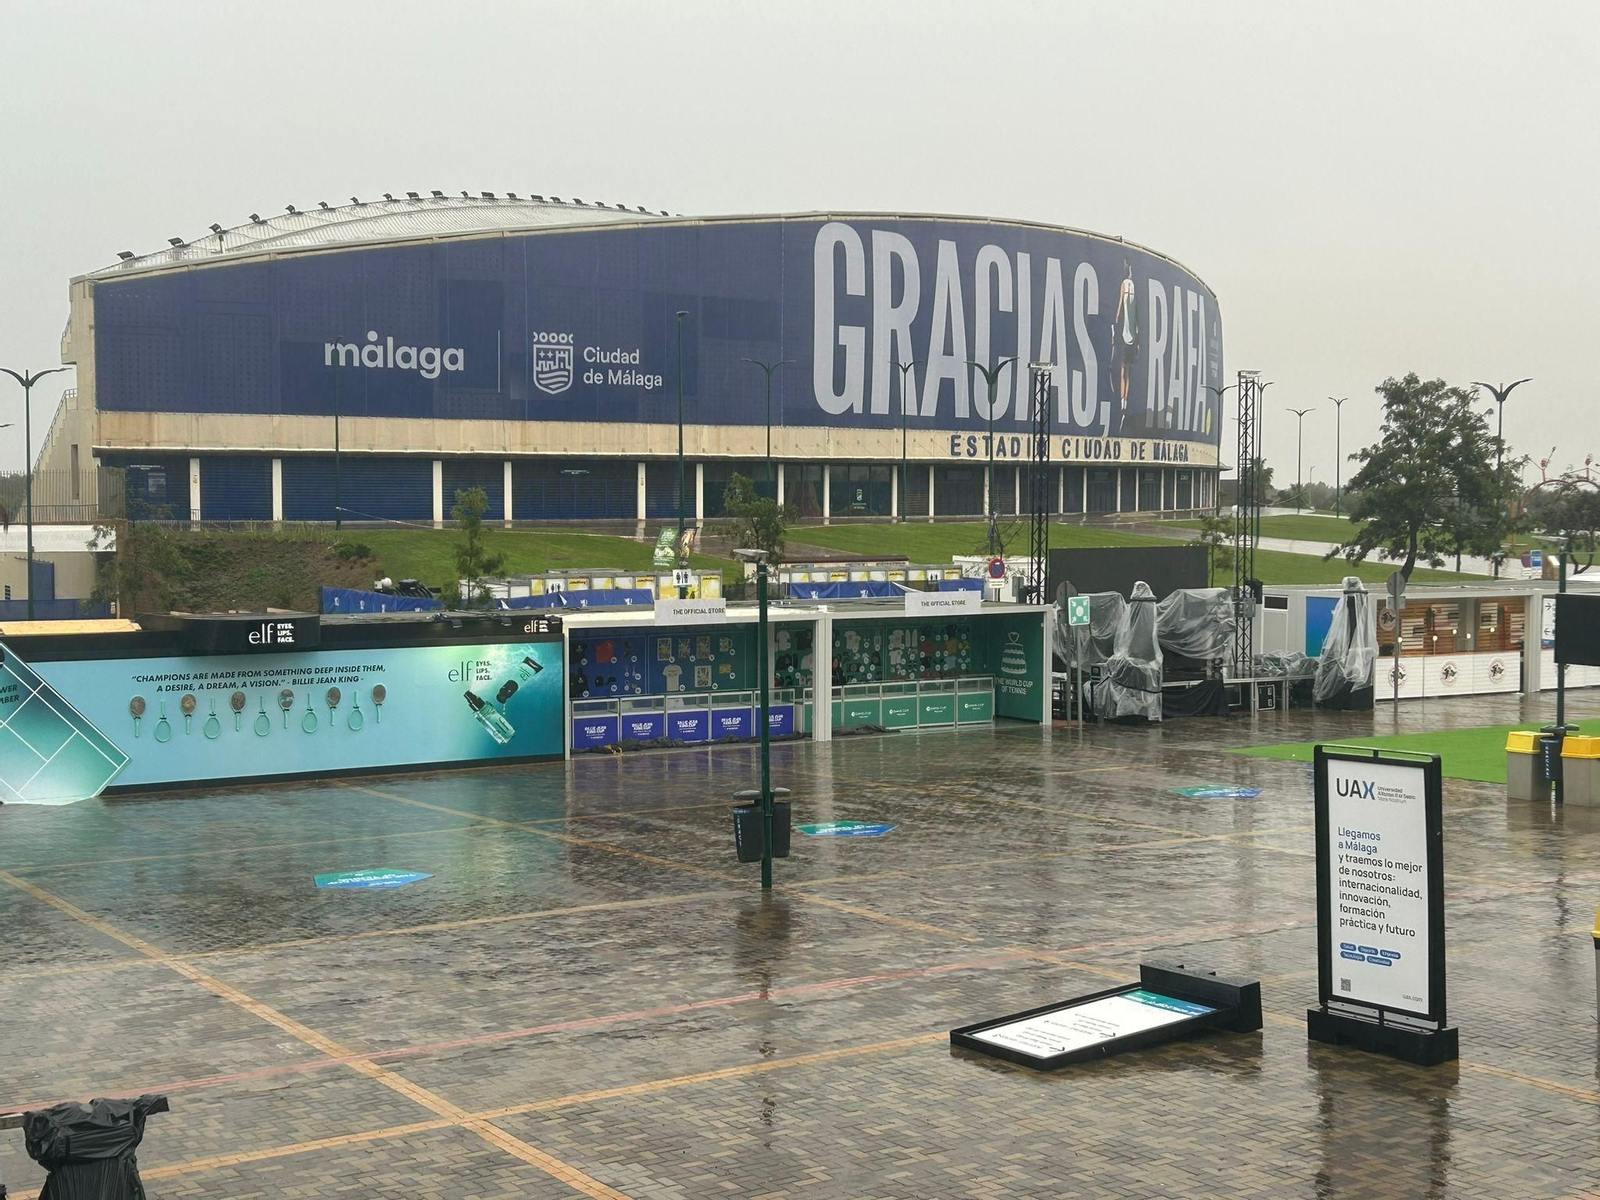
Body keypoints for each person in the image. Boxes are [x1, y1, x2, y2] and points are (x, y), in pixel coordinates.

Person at [1109, 260, 1139, 428]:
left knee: (1122, 371)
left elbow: (1120, 306)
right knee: (1127, 370)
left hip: (1123, 333)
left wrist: (1116, 321)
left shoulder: (1124, 285)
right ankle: (1125, 404)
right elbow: (1136, 313)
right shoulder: (1134, 286)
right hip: (1132, 337)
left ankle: (1122, 403)